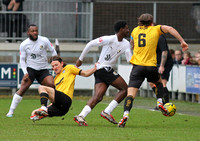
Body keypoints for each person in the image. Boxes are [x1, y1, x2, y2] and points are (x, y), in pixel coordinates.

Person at [118, 13, 188, 128]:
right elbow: (170, 29)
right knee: (159, 83)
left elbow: (131, 44)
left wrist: (135, 51)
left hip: (137, 67)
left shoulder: (135, 31)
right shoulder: (156, 29)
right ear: (151, 22)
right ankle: (159, 101)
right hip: (151, 66)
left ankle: (125, 115)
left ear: (139, 21)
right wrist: (182, 41)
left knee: (130, 94)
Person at [73, 20, 132, 126]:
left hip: (101, 71)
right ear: (120, 29)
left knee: (98, 97)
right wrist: (80, 59)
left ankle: (81, 116)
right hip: (104, 69)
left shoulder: (126, 44)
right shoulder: (109, 39)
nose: (128, 30)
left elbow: (129, 60)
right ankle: (107, 111)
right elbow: (90, 44)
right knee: (125, 89)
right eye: (126, 28)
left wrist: (134, 49)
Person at [6, 24, 57, 117]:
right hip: (31, 69)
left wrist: (54, 62)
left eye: (36, 31)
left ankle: (48, 108)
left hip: (43, 69)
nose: (35, 33)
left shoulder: (44, 40)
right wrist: (25, 73)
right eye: (33, 31)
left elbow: (53, 52)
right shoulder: (24, 44)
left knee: (51, 85)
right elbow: (22, 60)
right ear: (28, 32)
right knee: (23, 88)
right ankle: (11, 111)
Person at [30, 56, 97, 121]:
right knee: (34, 112)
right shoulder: (56, 79)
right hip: (61, 109)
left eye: (56, 65)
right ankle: (42, 112)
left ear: (62, 63)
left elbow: (85, 73)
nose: (54, 68)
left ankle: (43, 108)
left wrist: (95, 68)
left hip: (66, 99)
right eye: (53, 66)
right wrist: (46, 108)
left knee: (41, 87)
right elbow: (55, 98)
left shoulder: (69, 68)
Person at [149, 34, 173, 109]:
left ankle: (166, 105)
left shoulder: (160, 37)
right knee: (152, 83)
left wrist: (162, 66)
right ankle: (161, 102)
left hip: (165, 63)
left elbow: (165, 51)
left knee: (163, 83)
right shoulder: (149, 37)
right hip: (156, 63)